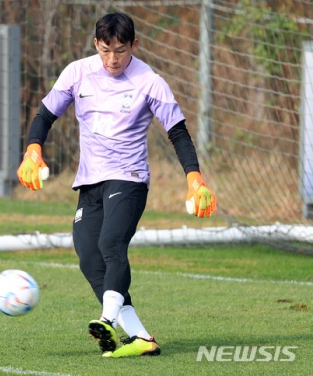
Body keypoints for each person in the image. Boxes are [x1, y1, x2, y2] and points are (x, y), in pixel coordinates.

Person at [17, 12, 216, 358]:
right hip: (90, 183)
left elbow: (178, 132)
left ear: (134, 46)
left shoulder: (150, 81)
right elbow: (45, 116)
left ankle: (107, 320)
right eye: (106, 50)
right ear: (96, 44)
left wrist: (194, 178)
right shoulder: (77, 73)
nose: (113, 59)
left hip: (129, 178)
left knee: (111, 243)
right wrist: (33, 150)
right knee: (89, 256)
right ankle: (141, 338)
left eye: (121, 51)